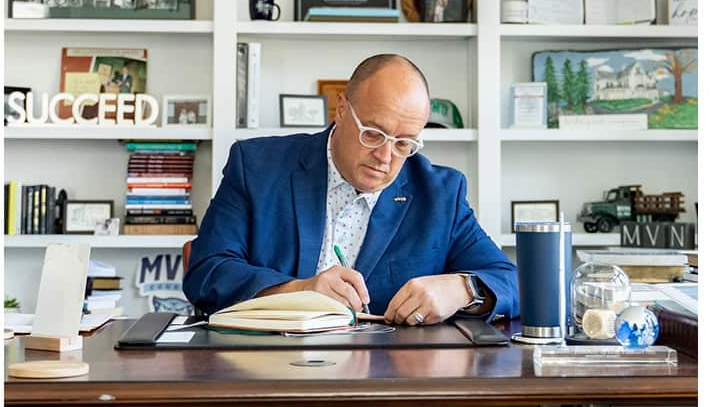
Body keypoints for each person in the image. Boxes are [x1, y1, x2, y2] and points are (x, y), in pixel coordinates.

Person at [184, 54, 519, 325]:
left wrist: (463, 289)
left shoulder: (441, 194)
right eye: (373, 134)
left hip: (390, 374)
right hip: (267, 366)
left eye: (404, 143)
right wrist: (299, 292)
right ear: (342, 110)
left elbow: (515, 282)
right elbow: (206, 271)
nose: (385, 157)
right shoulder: (257, 167)